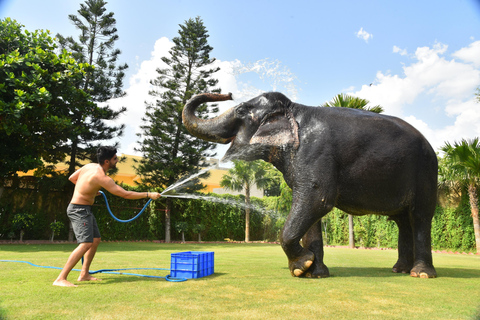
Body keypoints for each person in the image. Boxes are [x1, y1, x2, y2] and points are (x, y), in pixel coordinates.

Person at [53, 146, 161, 287]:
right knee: (85, 243)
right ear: (106, 161)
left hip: (84, 209)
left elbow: (72, 178)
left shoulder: (89, 166)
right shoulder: (102, 178)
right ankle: (61, 278)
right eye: (114, 159)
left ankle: (84, 274)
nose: (117, 161)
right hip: (78, 210)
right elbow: (125, 194)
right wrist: (148, 195)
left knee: (96, 240)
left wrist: (90, 188)